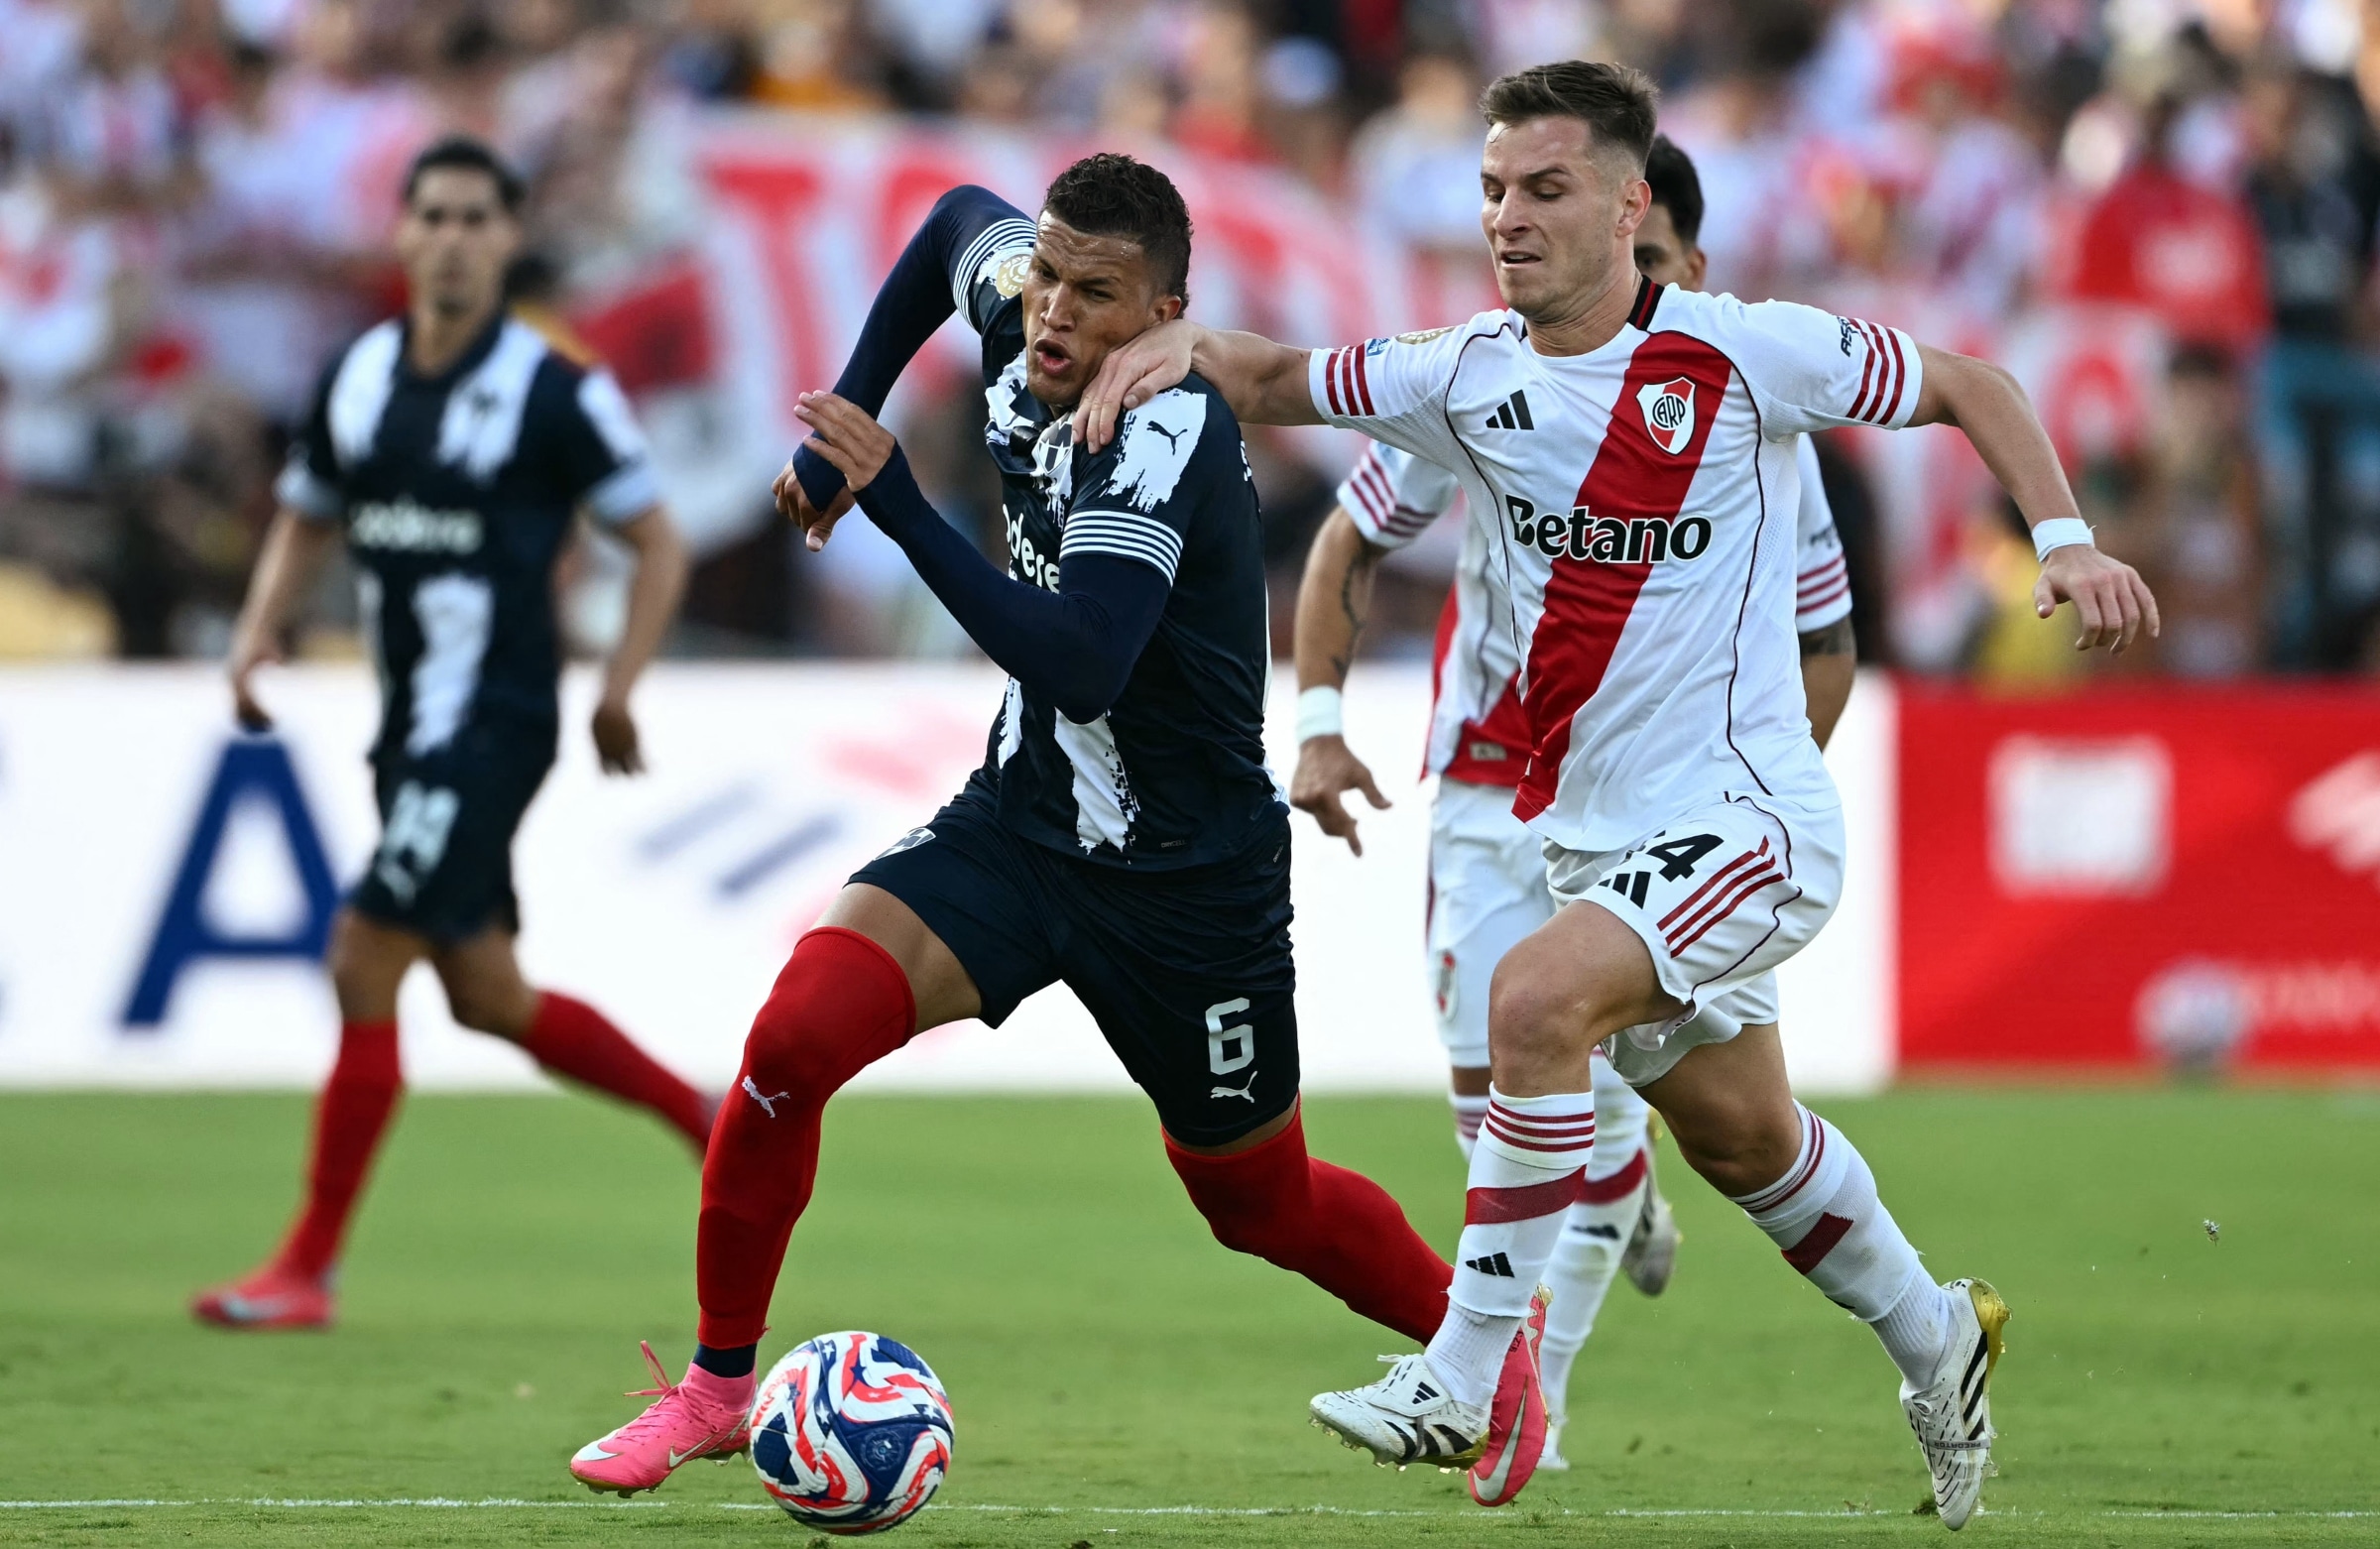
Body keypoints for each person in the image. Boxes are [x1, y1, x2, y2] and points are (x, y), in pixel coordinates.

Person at [1071, 61, 2158, 1521]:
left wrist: (2066, 538)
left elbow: (1974, 383)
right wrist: (1173, 342)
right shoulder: (1464, 374)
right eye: (1493, 191)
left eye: (1546, 188)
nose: (1508, 218)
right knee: (1746, 1141)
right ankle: (1936, 1329)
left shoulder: (1745, 354)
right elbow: (1279, 380)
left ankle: (1470, 1371)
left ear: (1630, 203)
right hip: (1594, 841)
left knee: (1531, 1001)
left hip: (1752, 820)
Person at [566, 154, 1470, 1497]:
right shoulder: (1023, 312)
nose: (1051, 308)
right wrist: (840, 422)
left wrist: (892, 496)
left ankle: (1491, 1353)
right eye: (1047, 273)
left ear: (1164, 313)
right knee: (793, 1039)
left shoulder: (1166, 428)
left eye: (1095, 293)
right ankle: (713, 1389)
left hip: (1186, 879)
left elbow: (1082, 661)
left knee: (1258, 1204)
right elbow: (948, 225)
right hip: (1023, 821)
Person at [1288, 133, 1858, 1474]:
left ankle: (1527, 1396)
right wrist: (1315, 721)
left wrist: (1745, 796)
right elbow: (1348, 536)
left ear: (1689, 263)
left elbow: (1828, 642)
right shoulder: (1495, 379)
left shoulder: (1757, 420)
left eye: (1650, 261)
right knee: (1495, 1104)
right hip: (1489, 790)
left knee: (1601, 1087)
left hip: (1671, 813)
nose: (1620, 282)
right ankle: (1591, 1243)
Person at [192, 136, 702, 1331]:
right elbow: (307, 514)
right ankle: (709, 1116)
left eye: (479, 218)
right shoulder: (359, 373)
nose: (455, 238)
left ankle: (307, 1267)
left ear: (509, 239)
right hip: (408, 724)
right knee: (486, 994)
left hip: (493, 722)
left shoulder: (554, 388)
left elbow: (658, 540)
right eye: (435, 216)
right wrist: (257, 631)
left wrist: (619, 685)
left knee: (363, 950)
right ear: (403, 232)